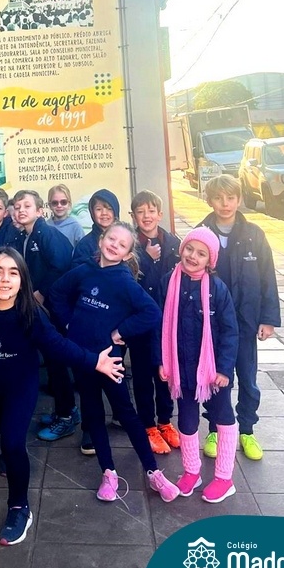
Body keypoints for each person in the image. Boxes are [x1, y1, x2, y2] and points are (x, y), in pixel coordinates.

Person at [0, 247, 124, 546]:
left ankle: (19, 508)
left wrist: (95, 361)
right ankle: (9, 454)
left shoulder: (31, 314)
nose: (5, 279)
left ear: (22, 280)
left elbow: (58, 346)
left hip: (21, 386)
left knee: (13, 443)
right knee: (5, 433)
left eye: (13, 273)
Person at [50, 221, 180, 504]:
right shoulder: (83, 271)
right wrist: (69, 323)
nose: (114, 246)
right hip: (82, 358)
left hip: (110, 361)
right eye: (111, 239)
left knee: (126, 412)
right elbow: (56, 292)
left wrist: (121, 332)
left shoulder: (125, 282)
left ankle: (153, 472)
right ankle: (108, 472)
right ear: (101, 240)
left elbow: (152, 313)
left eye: (121, 245)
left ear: (127, 254)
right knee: (93, 412)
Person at [199, 174, 280, 461]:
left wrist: (268, 318)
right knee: (215, 378)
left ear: (239, 199)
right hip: (212, 323)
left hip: (245, 320)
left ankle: (246, 430)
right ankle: (214, 428)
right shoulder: (200, 233)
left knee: (247, 377)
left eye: (230, 198)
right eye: (218, 198)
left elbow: (267, 277)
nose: (225, 204)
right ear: (209, 200)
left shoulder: (254, 234)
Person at [156, 228, 240, 504]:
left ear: (210, 260)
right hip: (181, 369)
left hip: (213, 371)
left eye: (201, 253)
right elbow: (159, 324)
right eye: (190, 249)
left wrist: (224, 369)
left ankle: (224, 478)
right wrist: (162, 361)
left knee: (223, 416)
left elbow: (230, 331)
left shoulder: (217, 289)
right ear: (182, 250)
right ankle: (192, 471)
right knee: (187, 419)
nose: (193, 256)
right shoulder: (169, 282)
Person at [12, 190, 77, 442]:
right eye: (18, 206)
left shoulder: (47, 234)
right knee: (51, 363)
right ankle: (66, 410)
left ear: (40, 211)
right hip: (39, 308)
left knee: (56, 361)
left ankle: (66, 418)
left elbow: (61, 266)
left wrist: (40, 293)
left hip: (52, 309)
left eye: (27, 206)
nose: (21, 210)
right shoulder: (25, 235)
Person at [129, 190, 181, 454]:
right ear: (133, 216)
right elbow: (129, 282)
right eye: (141, 212)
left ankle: (165, 421)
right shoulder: (130, 246)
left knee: (165, 374)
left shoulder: (174, 243)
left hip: (167, 322)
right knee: (142, 375)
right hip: (140, 322)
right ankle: (148, 426)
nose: (146, 216)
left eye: (151, 211)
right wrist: (147, 258)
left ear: (160, 214)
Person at [72, 189, 119, 266]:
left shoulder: (124, 240)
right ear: (92, 212)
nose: (104, 213)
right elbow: (77, 271)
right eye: (98, 209)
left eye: (109, 209)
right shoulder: (84, 245)